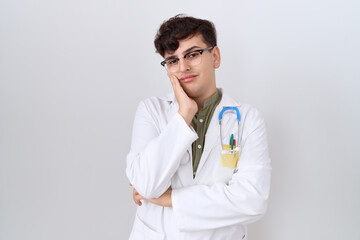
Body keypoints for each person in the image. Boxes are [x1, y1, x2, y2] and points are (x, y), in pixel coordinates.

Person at [126, 14, 271, 240]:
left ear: (215, 56)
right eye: (173, 60)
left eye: (192, 54)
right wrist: (184, 114)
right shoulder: (151, 111)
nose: (183, 67)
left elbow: (252, 200)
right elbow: (146, 184)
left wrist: (169, 199)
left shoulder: (248, 119)